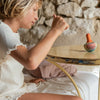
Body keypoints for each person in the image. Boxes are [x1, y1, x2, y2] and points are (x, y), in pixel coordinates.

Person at [0, 0, 82, 100]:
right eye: (34, 10)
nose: (36, 17)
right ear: (20, 6)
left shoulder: (10, 32)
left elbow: (6, 69)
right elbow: (31, 61)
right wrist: (55, 31)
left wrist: (23, 82)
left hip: (14, 89)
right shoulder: (2, 29)